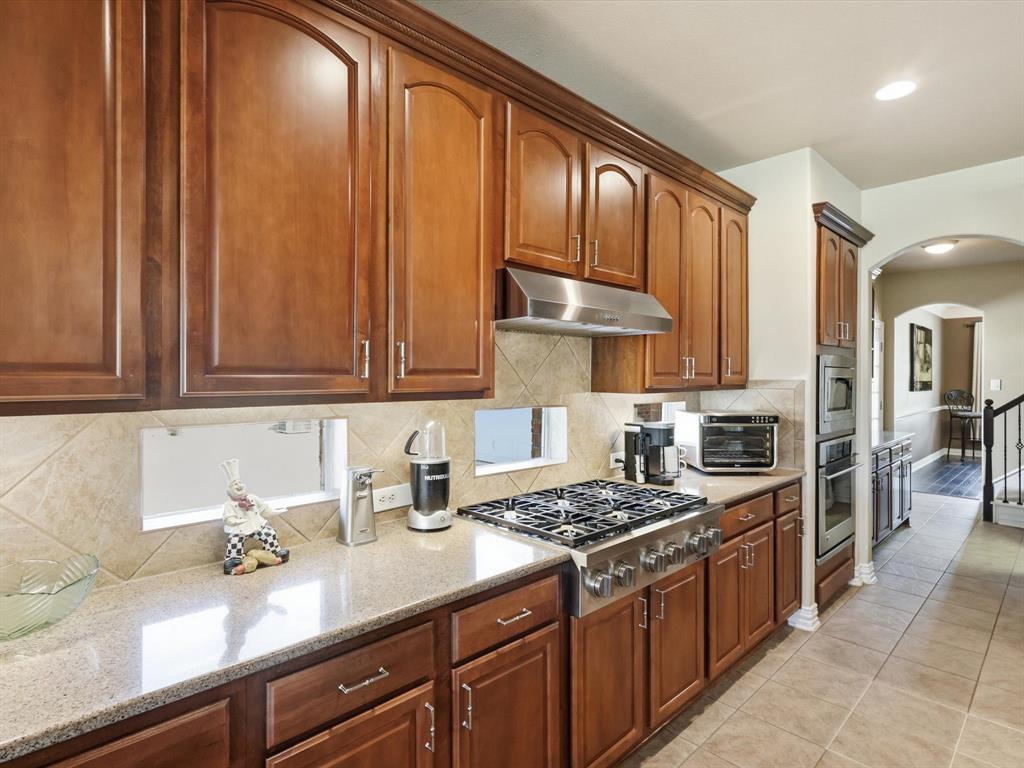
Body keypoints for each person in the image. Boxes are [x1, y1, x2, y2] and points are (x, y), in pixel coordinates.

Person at [220, 458, 290, 575]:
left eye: (239, 483)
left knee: (269, 533)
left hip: (256, 526)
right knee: (234, 540)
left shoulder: (252, 498)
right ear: (229, 490)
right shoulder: (229, 505)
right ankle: (234, 559)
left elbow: (264, 510)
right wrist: (235, 522)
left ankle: (274, 552)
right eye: (235, 484)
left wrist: (275, 511)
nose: (238, 485)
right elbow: (228, 519)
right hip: (240, 529)